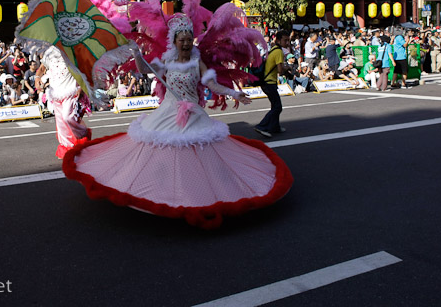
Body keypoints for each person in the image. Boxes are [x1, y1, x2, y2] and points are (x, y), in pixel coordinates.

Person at [63, 12, 292, 229]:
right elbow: (146, 70)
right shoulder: (167, 63)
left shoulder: (196, 62)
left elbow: (211, 84)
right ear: (174, 41)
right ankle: (159, 190)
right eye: (181, 40)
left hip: (193, 113)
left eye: (188, 40)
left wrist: (234, 94)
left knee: (199, 154)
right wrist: (136, 52)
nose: (185, 44)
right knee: (160, 152)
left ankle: (196, 193)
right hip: (168, 112)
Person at [40, 45, 92, 159]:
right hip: (55, 92)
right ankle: (67, 148)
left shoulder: (71, 50)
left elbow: (83, 70)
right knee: (60, 124)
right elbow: (42, 68)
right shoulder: (48, 53)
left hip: (70, 90)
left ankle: (83, 134)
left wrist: (81, 88)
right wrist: (38, 78)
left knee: (68, 117)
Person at [254, 30, 290, 139]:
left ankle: (275, 127)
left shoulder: (273, 49)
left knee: (275, 105)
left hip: (266, 82)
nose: (287, 42)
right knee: (277, 107)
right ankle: (262, 126)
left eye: (288, 40)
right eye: (285, 40)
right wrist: (287, 68)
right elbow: (280, 71)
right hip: (269, 82)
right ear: (278, 40)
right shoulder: (279, 52)